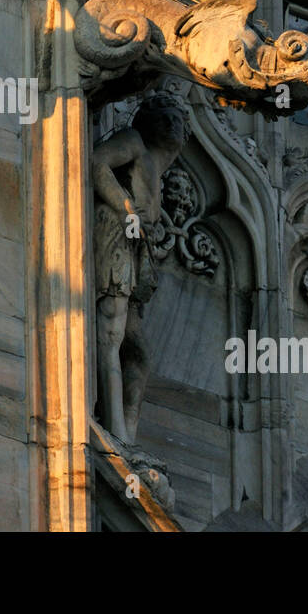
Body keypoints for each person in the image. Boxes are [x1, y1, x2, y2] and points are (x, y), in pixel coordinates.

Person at [90, 92, 190, 444]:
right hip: (116, 229)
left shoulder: (157, 171)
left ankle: (126, 440)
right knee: (111, 332)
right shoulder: (133, 142)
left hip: (137, 247)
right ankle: (113, 429)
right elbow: (96, 162)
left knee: (137, 352)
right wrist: (126, 207)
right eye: (162, 114)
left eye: (176, 117)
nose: (170, 121)